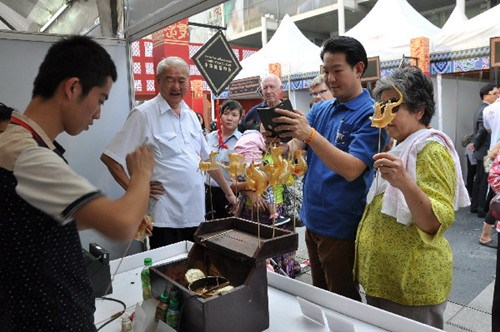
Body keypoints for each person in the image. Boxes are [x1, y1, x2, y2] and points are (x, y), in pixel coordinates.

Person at [0, 35, 154, 331]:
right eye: (100, 99)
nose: (98, 113)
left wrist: (120, 211)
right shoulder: (26, 154)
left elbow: (42, 220)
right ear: (73, 88)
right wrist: (142, 175)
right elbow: (121, 224)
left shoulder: (28, 146)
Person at [354, 66, 470, 329]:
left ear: (419, 110)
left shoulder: (430, 150)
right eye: (381, 106)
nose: (385, 114)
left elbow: (436, 222)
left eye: (394, 106)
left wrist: (404, 182)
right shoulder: (399, 146)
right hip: (386, 281)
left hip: (411, 286)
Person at [273, 36, 387, 301]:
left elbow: (352, 169)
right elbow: (295, 145)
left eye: (337, 70)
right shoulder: (321, 109)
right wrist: (277, 143)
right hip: (312, 219)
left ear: (358, 69)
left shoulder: (372, 115)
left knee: (343, 299)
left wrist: (310, 135)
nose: (330, 78)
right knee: (320, 295)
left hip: (341, 224)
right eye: (326, 71)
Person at [101, 56, 237, 249]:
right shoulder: (144, 114)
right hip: (165, 218)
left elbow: (208, 160)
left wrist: (230, 194)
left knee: (195, 270)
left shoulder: (190, 116)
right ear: (158, 81)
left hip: (196, 213)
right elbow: (110, 158)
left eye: (181, 80)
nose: (176, 86)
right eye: (170, 79)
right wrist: (137, 191)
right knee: (168, 273)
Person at [205, 100, 243, 219]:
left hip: (231, 193)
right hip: (209, 192)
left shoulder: (243, 141)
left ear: (240, 119)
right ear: (220, 116)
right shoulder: (209, 138)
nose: (229, 118)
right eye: (226, 114)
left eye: (234, 115)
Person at [471, 84, 497, 218]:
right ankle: (481, 208)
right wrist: (475, 144)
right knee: (484, 181)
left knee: (479, 179)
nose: (496, 96)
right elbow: (481, 131)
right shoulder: (485, 110)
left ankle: (475, 206)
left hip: (481, 152)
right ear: (486, 95)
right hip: (486, 152)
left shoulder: (481, 108)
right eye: (494, 93)